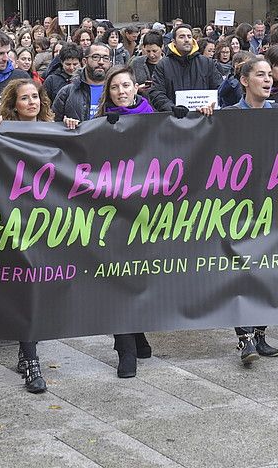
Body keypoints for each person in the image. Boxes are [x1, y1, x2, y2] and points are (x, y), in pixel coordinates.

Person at [91, 66, 176, 378]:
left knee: (140, 276)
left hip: (148, 212)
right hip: (114, 213)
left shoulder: (154, 117)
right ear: (108, 92)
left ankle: (137, 332)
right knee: (116, 277)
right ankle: (124, 347)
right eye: (115, 88)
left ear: (136, 87)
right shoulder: (99, 123)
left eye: (126, 85)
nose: (121, 92)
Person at [227, 54, 278, 364]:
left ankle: (260, 333)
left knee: (265, 267)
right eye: (260, 74)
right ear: (245, 81)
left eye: (270, 74)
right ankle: (243, 338)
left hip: (271, 203)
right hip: (237, 204)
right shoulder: (229, 114)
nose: (269, 79)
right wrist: (205, 115)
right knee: (240, 267)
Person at [0, 79, 53, 392]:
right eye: (25, 98)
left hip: (49, 218)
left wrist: (72, 126)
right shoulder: (3, 130)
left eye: (35, 97)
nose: (31, 102)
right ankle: (30, 358)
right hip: (14, 217)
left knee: (38, 286)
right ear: (14, 104)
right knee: (27, 284)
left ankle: (28, 351)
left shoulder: (55, 130)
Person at [148, 25, 223, 112]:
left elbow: (219, 89)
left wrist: (209, 105)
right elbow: (156, 93)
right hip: (173, 120)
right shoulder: (163, 65)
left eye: (189, 36)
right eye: (181, 37)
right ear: (174, 42)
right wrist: (171, 108)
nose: (186, 40)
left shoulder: (207, 63)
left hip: (204, 119)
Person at [54, 43, 112, 127]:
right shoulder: (67, 92)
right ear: (85, 61)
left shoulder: (117, 92)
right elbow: (53, 124)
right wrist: (64, 123)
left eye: (106, 58)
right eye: (95, 57)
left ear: (110, 63)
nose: (101, 62)